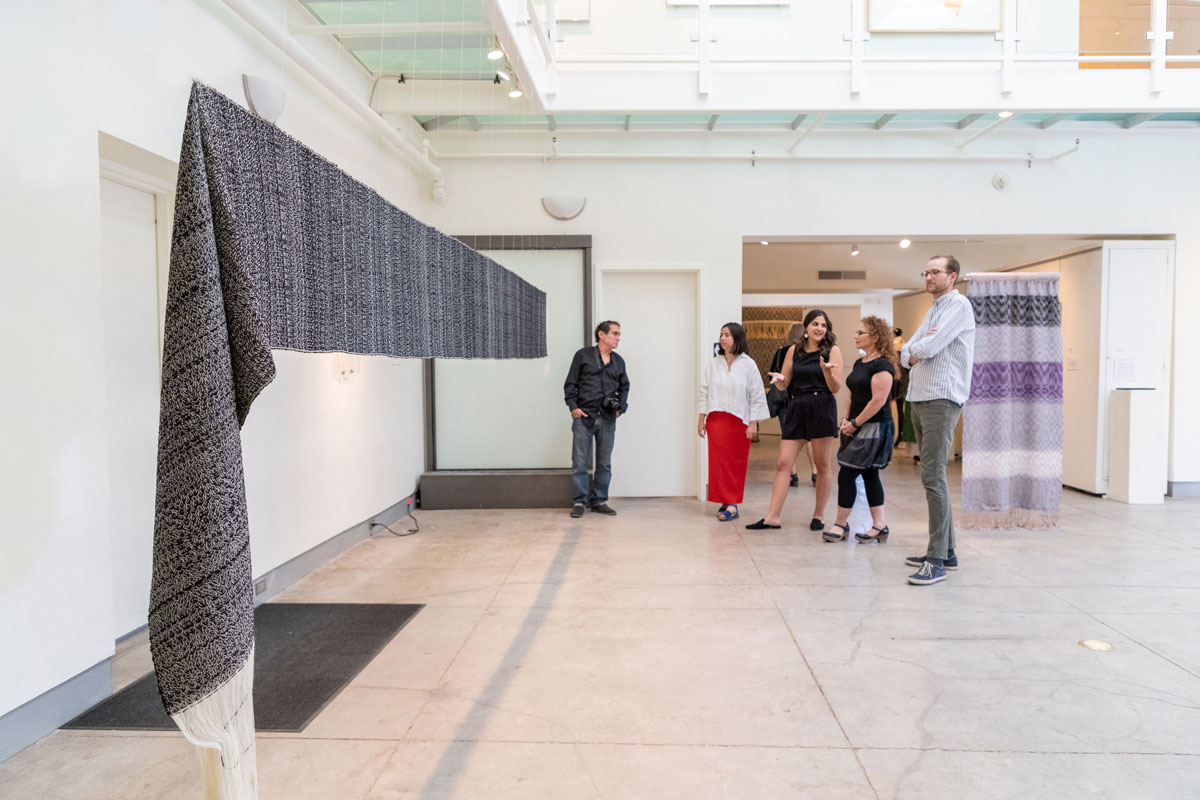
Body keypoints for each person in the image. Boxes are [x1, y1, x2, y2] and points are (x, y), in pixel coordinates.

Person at [900, 256, 976, 585]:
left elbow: (925, 348)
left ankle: (936, 561)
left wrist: (916, 348)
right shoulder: (934, 308)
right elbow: (906, 352)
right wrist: (913, 349)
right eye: (926, 272)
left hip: (941, 398)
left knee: (934, 478)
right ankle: (948, 552)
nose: (929, 276)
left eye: (935, 272)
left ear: (953, 276)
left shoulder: (958, 306)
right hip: (921, 396)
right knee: (932, 478)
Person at [747, 309, 843, 531]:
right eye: (815, 324)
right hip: (797, 406)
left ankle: (818, 515)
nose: (820, 328)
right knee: (783, 463)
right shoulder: (793, 351)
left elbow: (836, 388)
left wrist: (827, 372)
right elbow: (785, 383)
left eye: (824, 325)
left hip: (822, 406)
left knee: (822, 465)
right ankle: (773, 517)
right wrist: (780, 381)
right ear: (806, 328)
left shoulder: (832, 351)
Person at [823, 316, 897, 543]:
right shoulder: (860, 363)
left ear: (874, 337)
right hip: (856, 424)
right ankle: (879, 526)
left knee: (847, 473)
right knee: (869, 473)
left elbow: (878, 402)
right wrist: (846, 419)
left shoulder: (883, 365)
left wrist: (855, 423)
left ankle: (840, 524)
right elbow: (853, 394)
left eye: (860, 333)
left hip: (874, 427)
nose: (855, 336)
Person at [698, 323, 770, 521]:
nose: (723, 338)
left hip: (739, 420)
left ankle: (732, 502)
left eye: (727, 335)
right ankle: (725, 502)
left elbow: (756, 395)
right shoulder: (714, 363)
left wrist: (753, 423)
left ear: (737, 338)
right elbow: (704, 391)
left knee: (735, 463)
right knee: (718, 463)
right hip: (716, 419)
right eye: (721, 334)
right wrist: (701, 418)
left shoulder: (748, 364)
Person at [564, 320, 630, 518]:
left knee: (604, 463)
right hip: (584, 416)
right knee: (580, 462)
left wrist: (621, 408)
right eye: (615, 334)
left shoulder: (618, 361)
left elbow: (624, 386)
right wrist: (573, 407)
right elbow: (570, 384)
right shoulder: (582, 355)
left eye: (619, 334)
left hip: (608, 418)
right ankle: (579, 502)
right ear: (601, 334)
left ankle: (599, 500)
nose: (618, 338)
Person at [769, 323, 817, 487]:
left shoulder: (781, 351)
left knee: (788, 437)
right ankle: (815, 472)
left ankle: (793, 474)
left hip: (785, 400)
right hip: (804, 400)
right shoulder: (808, 353)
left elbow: (774, 374)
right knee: (809, 439)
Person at [892, 327, 908, 447]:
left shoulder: (893, 349)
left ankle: (899, 437)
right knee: (900, 410)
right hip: (903, 381)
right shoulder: (905, 347)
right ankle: (900, 437)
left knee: (897, 410)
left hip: (897, 381)